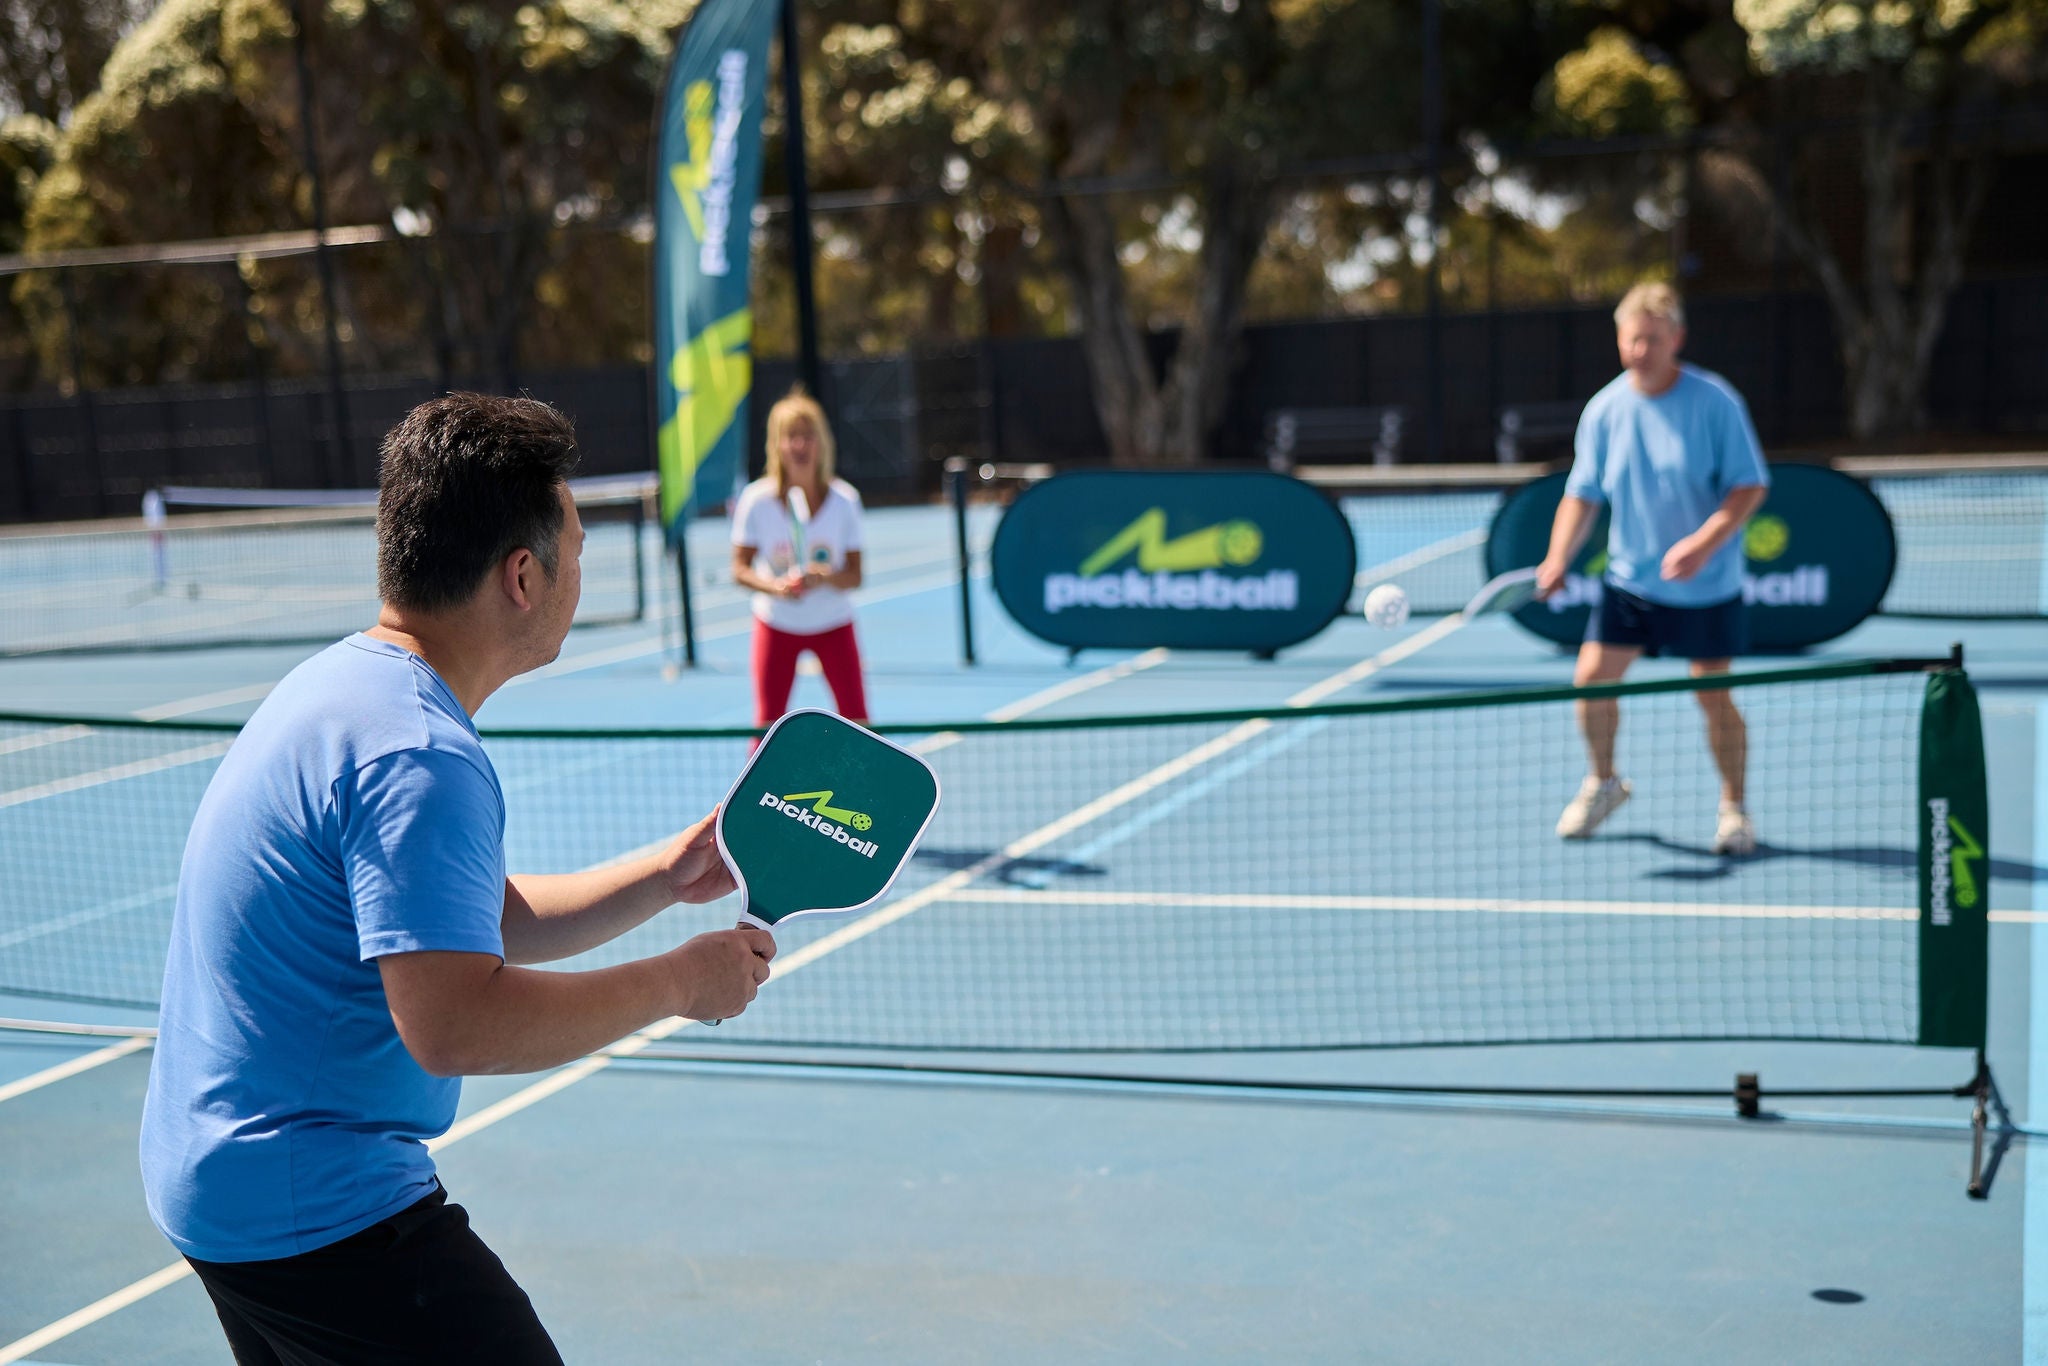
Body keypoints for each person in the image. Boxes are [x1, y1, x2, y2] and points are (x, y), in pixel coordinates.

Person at [139, 393, 775, 1365]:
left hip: (220, 1186)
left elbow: (444, 923)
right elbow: (453, 1023)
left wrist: (658, 876)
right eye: (575, 541)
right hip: (319, 1208)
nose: (581, 565)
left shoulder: (343, 688)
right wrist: (680, 984)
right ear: (522, 576)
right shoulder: (417, 753)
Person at [1535, 282, 1770, 857]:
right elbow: (1581, 495)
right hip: (1630, 584)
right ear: (1620, 340)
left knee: (1712, 695)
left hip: (1706, 584)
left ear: (1677, 340)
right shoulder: (1604, 410)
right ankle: (1604, 782)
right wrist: (1558, 555)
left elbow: (1749, 485)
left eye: (1653, 339)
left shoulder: (1716, 402)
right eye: (1632, 339)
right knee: (1591, 679)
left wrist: (1704, 544)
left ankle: (1734, 809)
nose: (1641, 350)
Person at [730, 387, 870, 731]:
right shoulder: (756, 500)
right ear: (777, 444)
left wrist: (825, 576)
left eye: (808, 436)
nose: (800, 445)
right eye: (791, 436)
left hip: (834, 624)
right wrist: (776, 587)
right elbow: (740, 568)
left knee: (859, 721)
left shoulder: (845, 500)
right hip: (776, 625)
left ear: (821, 442)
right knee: (765, 727)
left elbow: (855, 575)